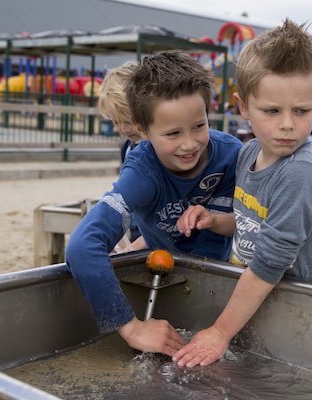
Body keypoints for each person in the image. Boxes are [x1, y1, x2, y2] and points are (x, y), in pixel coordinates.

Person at [173, 18, 312, 368]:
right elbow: (252, 222)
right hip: (252, 294)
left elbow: (271, 262)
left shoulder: (300, 172)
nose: (288, 124)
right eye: (272, 111)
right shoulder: (248, 153)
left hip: (292, 303)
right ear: (243, 106)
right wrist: (216, 220)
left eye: (302, 111)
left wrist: (219, 332)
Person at [65, 50, 243, 356]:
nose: (189, 144)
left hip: (218, 280)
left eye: (199, 126)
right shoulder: (141, 173)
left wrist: (213, 219)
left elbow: (246, 223)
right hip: (159, 279)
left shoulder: (231, 156)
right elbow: (82, 246)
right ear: (142, 131)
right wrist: (132, 328)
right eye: (173, 133)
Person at [98, 61, 146, 252]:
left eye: (128, 121)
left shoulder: (162, 151)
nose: (123, 129)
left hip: (157, 237)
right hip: (136, 229)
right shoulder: (128, 148)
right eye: (115, 121)